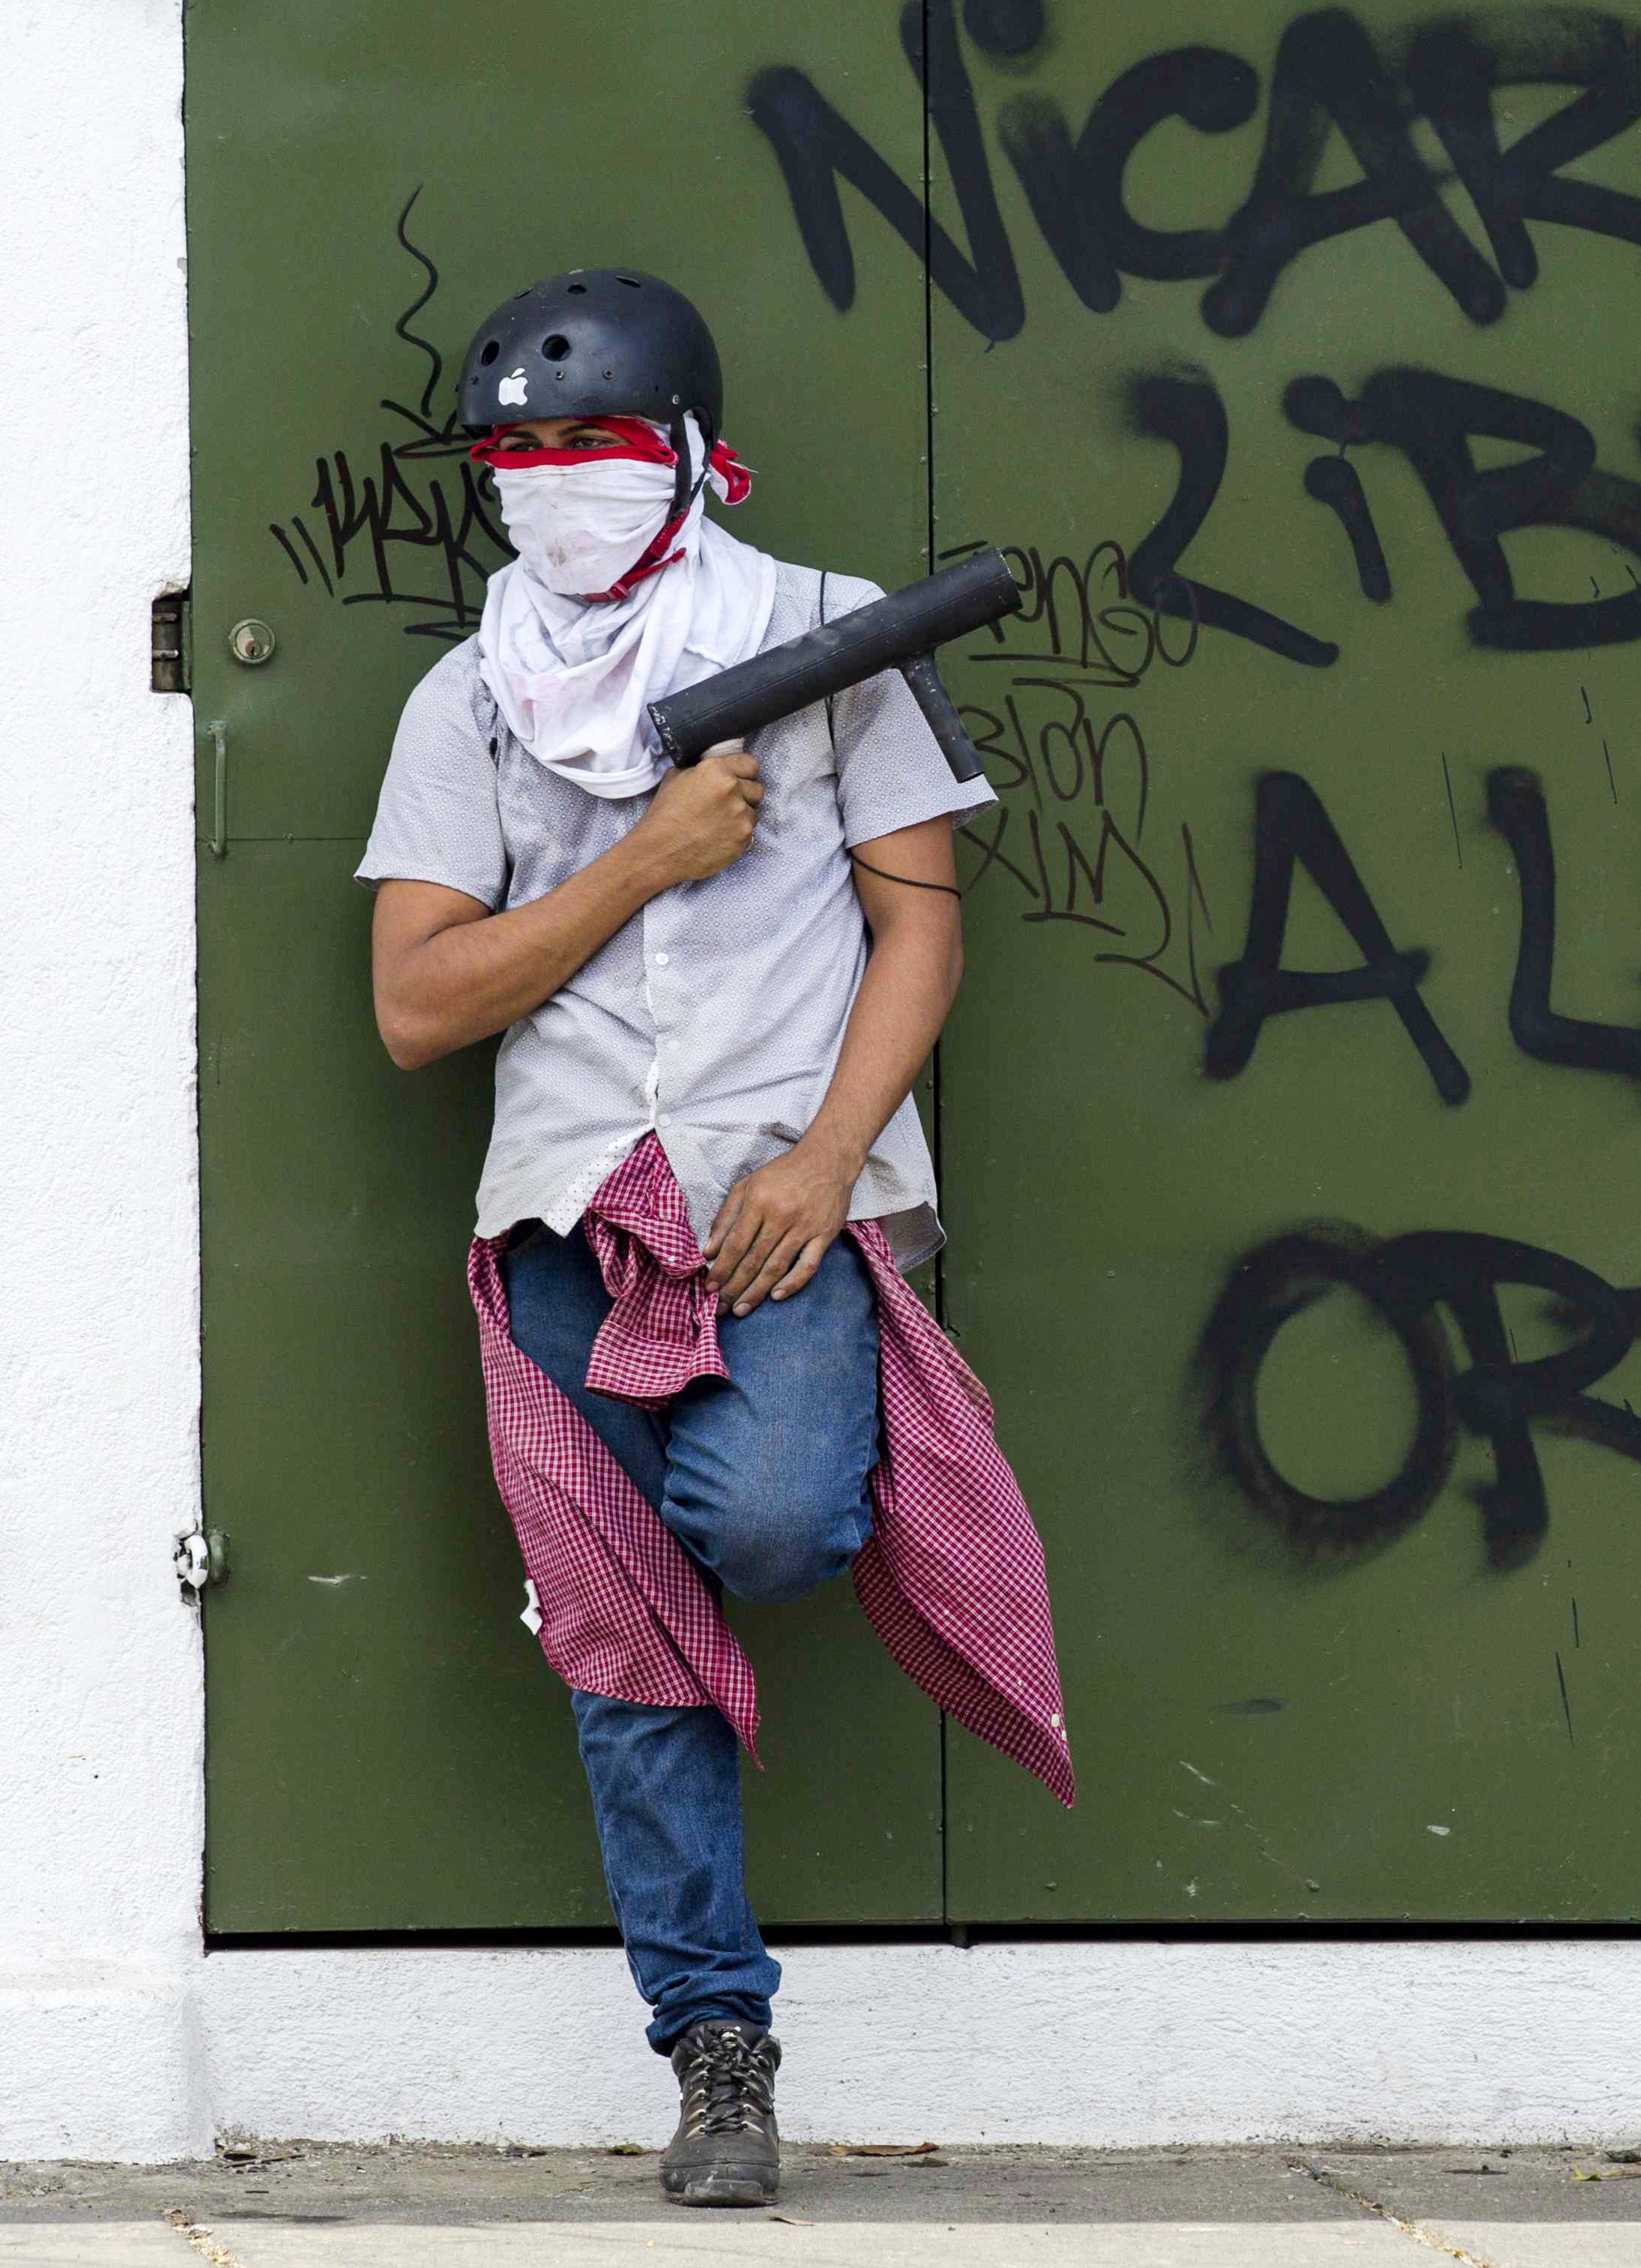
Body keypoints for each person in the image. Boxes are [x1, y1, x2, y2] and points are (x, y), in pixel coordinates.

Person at [357, 271, 1072, 2209]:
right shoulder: (471, 696)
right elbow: (419, 1007)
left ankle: (619, 1603)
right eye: (513, 456)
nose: (549, 488)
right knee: (626, 1639)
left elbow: (919, 924)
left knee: (767, 1525)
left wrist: (830, 1161)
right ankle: (713, 2043)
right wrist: (643, 859)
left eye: (583, 447)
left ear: (684, 454)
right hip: (572, 1210)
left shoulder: (827, 641)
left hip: (782, 1203)